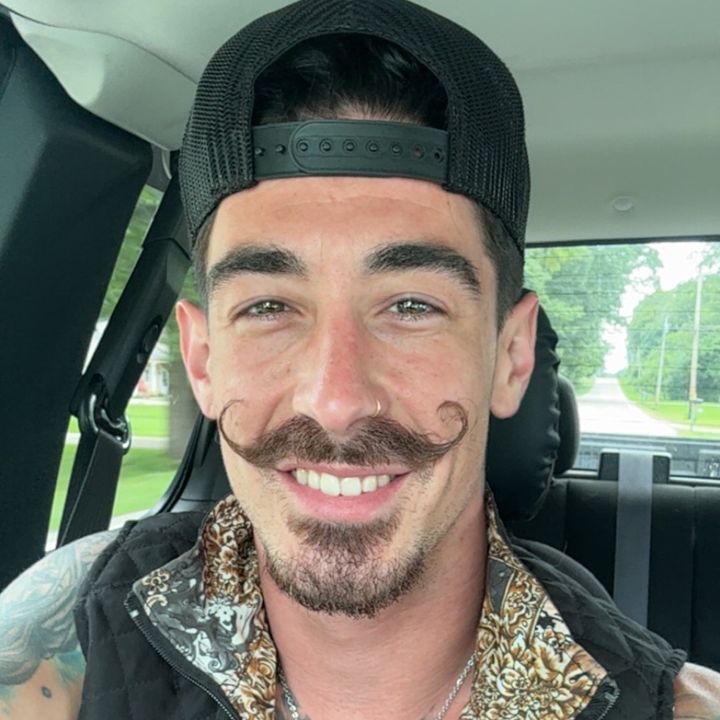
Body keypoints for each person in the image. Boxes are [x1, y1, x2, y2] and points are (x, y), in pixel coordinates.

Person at [1, 1, 719, 718]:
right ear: (203, 360)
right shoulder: (70, 633)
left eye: (411, 306)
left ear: (511, 355)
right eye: (268, 307)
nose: (335, 400)